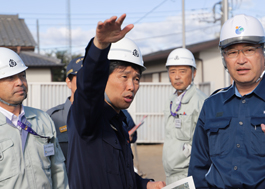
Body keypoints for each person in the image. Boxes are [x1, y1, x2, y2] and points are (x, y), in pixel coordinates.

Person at [67, 14, 166, 189]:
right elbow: (89, 86)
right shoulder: (88, 117)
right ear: (103, 77)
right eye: (124, 77)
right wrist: (100, 46)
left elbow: (119, 175)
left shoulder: (119, 122)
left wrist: (145, 185)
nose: (132, 86)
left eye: (136, 79)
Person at [188, 14, 265, 188]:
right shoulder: (211, 105)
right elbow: (198, 167)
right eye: (232, 52)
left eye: (249, 50)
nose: (241, 60)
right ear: (224, 58)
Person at [0, 47, 68, 188]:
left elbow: (58, 171)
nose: (20, 82)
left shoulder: (43, 119)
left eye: (22, 75)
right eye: (10, 77)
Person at [162, 48, 207, 185]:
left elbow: (206, 144)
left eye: (182, 71)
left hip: (187, 174)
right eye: (172, 71)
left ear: (193, 73)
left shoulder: (201, 102)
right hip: (170, 173)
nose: (176, 76)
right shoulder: (172, 99)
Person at [46, 56, 83, 165]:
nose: (87, 83)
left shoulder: (106, 116)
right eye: (81, 77)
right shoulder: (52, 118)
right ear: (69, 82)